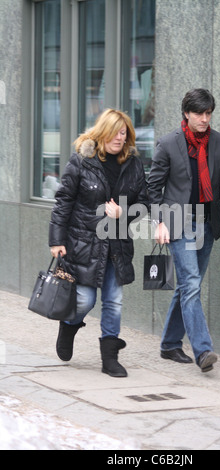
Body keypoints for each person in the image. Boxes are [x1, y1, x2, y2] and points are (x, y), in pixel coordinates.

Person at [147, 88, 220, 373]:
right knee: (190, 284)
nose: (204, 118)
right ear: (187, 113)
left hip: (207, 222)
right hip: (178, 221)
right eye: (199, 113)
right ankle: (203, 351)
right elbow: (153, 188)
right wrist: (159, 222)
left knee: (189, 287)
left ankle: (169, 343)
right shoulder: (168, 144)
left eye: (208, 113)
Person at [49, 109, 148, 378]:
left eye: (124, 132)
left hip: (117, 245)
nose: (119, 137)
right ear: (103, 132)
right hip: (84, 242)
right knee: (85, 299)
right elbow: (64, 200)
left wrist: (123, 212)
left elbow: (145, 204)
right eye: (115, 132)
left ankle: (109, 359)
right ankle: (69, 325)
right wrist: (56, 239)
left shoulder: (133, 164)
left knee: (114, 301)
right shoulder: (82, 160)